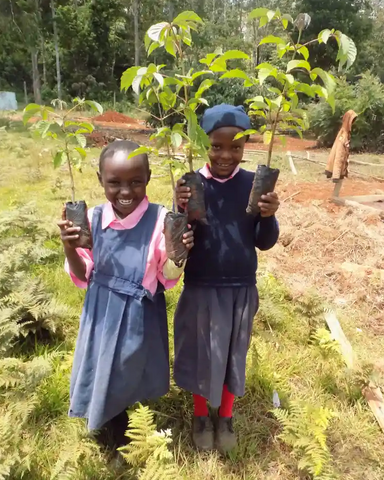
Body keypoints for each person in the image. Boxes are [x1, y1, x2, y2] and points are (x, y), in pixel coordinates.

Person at [57, 140, 194, 450]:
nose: (126, 192)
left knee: (131, 370)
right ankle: (112, 429)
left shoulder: (160, 220)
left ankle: (130, 418)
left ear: (148, 177)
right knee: (104, 366)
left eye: (135, 182)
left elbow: (167, 275)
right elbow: (81, 274)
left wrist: (177, 255)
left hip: (139, 315)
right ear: (100, 180)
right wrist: (69, 245)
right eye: (114, 183)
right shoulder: (91, 219)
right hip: (101, 312)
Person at [174, 104, 280, 453]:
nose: (225, 154)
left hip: (240, 288)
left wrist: (268, 215)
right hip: (201, 287)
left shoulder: (253, 184)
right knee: (202, 353)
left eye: (235, 146)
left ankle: (227, 416)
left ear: (246, 146)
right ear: (203, 142)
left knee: (234, 351)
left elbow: (263, 242)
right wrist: (179, 210)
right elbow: (179, 242)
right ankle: (202, 414)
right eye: (216, 146)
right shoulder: (192, 185)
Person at [325, 110, 358, 182]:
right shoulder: (344, 135)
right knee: (337, 188)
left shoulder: (343, 132)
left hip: (341, 169)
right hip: (339, 171)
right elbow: (339, 154)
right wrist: (336, 175)